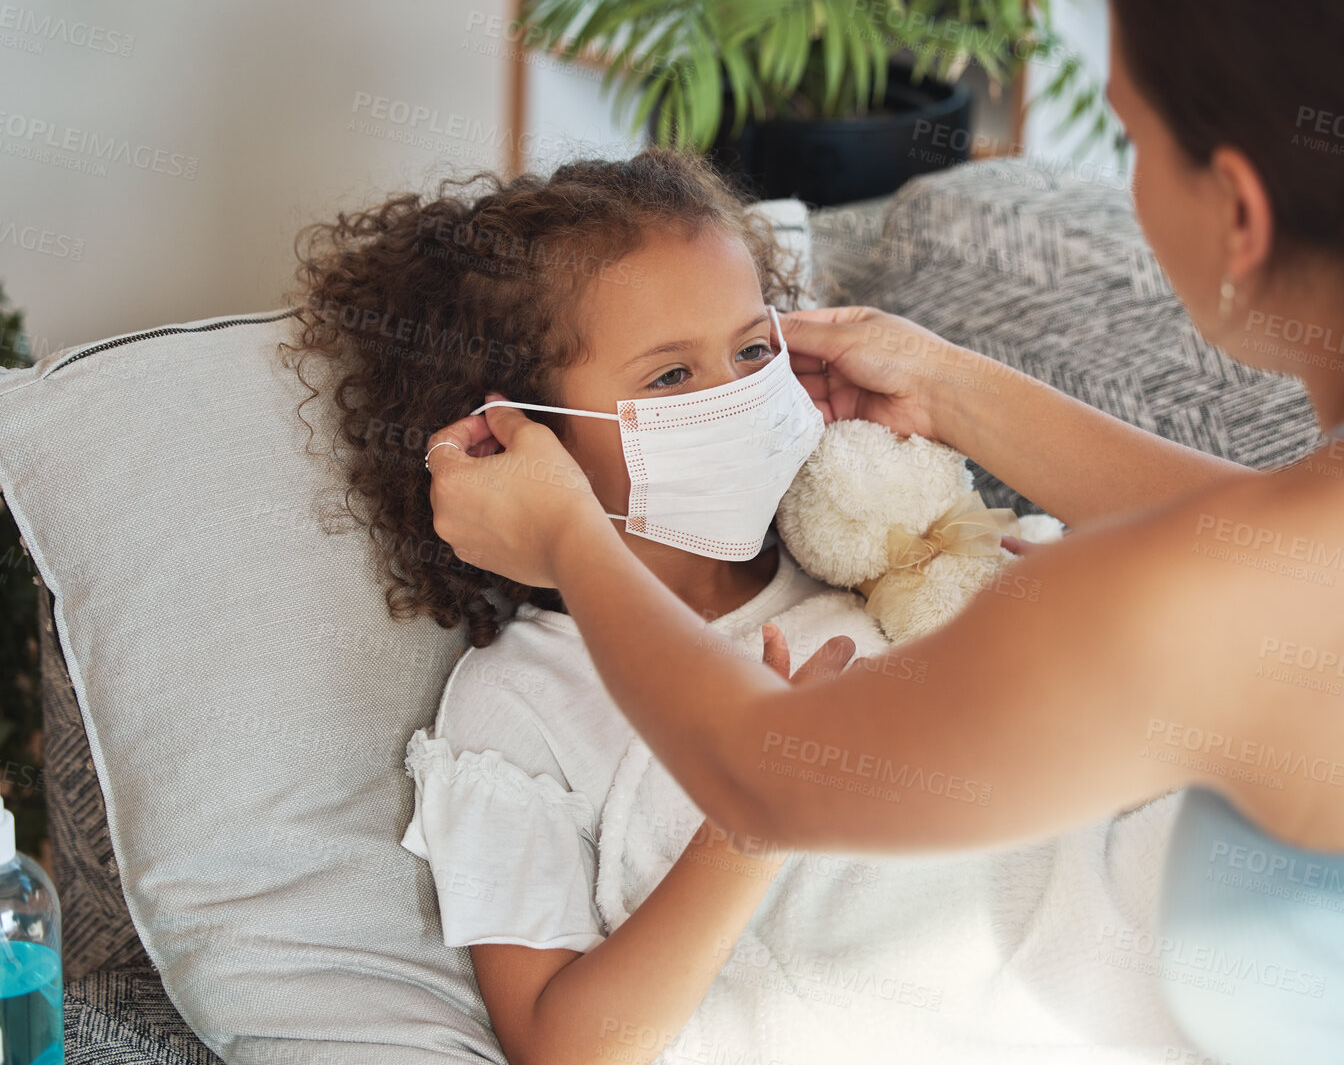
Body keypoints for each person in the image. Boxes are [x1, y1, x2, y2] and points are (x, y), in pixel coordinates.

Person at [424, 0, 1344, 1058]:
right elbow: (1299, 553)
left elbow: (767, 778)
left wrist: (565, 542)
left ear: (1236, 213)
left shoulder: (1178, 600)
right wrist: (962, 392)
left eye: (1127, 136)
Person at [280, 151, 1196, 1065]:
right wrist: (752, 821)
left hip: (1156, 947)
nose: (737, 397)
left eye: (754, 350)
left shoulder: (866, 554)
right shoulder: (521, 698)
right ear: (515, 431)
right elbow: (567, 1047)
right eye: (670, 377)